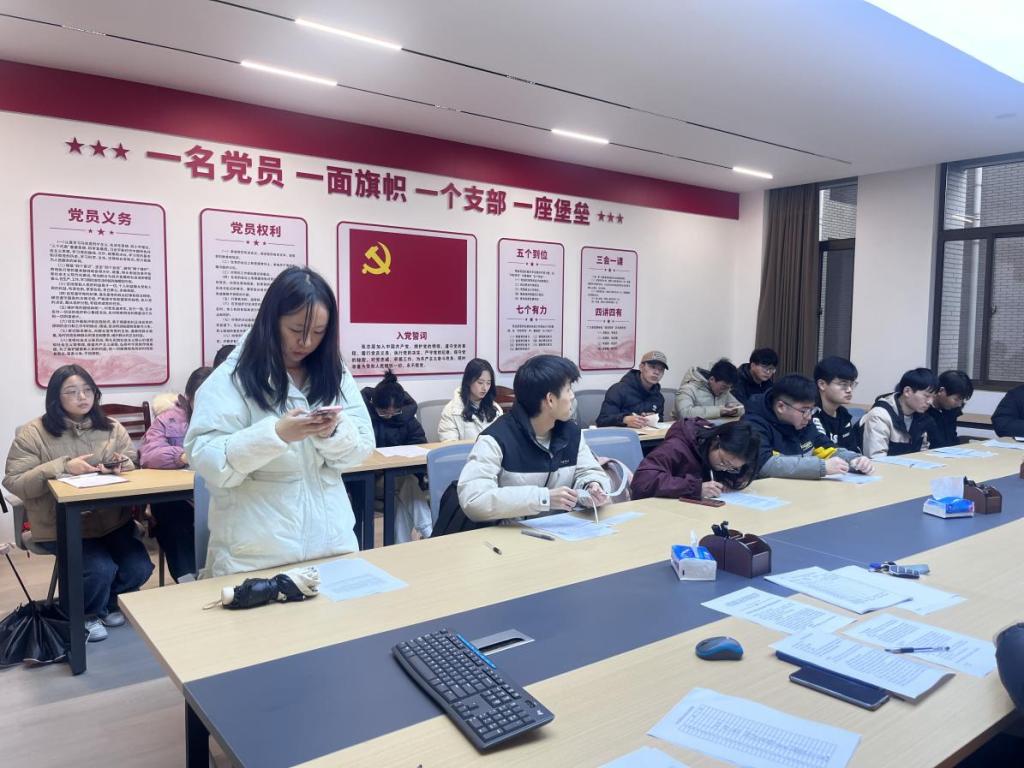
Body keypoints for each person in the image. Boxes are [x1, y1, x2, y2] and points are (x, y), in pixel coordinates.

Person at [184, 266, 375, 577]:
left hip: (333, 546)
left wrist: (333, 432)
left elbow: (363, 446)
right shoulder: (232, 378)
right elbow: (206, 457)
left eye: (318, 332)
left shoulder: (333, 372)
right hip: (255, 558)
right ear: (271, 321)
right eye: (296, 329)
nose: (306, 342)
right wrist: (275, 435)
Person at [3, 365, 152, 642]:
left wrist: (121, 464)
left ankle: (109, 603)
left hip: (111, 521)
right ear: (55, 398)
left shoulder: (111, 427)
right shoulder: (33, 433)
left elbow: (132, 460)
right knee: (99, 569)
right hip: (60, 525)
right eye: (71, 392)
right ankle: (85, 614)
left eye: (87, 390)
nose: (82, 397)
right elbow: (14, 481)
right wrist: (61, 466)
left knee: (139, 567)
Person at [458, 355, 611, 522]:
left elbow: (589, 471)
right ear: (550, 400)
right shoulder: (496, 439)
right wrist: (543, 498)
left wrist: (592, 486)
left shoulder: (571, 433)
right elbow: (474, 499)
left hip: (562, 529)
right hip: (511, 533)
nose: (572, 396)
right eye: (568, 390)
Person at [139, 365, 213, 582]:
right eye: (201, 398)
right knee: (171, 515)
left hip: (217, 494)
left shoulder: (231, 416)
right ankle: (188, 581)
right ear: (187, 398)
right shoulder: (169, 419)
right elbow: (148, 454)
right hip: (179, 498)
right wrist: (182, 456)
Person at [743, 373, 873, 479]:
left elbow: (827, 448)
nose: (809, 416)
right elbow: (765, 465)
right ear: (781, 407)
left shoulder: (804, 422)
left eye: (812, 410)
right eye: (804, 410)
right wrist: (821, 467)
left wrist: (854, 460)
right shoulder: (753, 425)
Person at [362, 370, 432, 542]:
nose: (389, 416)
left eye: (394, 413)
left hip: (400, 478)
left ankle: (400, 546)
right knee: (407, 483)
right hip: (373, 479)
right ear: (373, 404)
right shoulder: (363, 417)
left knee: (401, 498)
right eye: (383, 412)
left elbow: (420, 444)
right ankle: (430, 530)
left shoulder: (407, 419)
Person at [631, 420, 760, 500]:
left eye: (732, 468)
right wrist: (695, 488)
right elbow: (642, 482)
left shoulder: (726, 455)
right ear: (715, 441)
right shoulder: (677, 446)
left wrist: (728, 481)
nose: (724, 468)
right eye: (724, 462)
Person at [860, 368, 938, 458]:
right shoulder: (879, 415)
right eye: (927, 396)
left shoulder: (921, 417)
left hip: (907, 465)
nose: (930, 402)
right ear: (907, 391)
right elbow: (876, 459)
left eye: (933, 397)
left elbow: (922, 453)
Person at [595, 350, 668, 428]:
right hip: (623, 434)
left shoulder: (658, 397)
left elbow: (660, 421)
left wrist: (654, 418)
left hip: (647, 434)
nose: (656, 372)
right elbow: (602, 420)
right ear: (641, 367)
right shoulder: (618, 390)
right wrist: (624, 419)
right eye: (652, 367)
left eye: (661, 369)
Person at [437, 358, 503, 441]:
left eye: (488, 383)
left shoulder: (495, 409)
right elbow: (450, 445)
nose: (485, 388)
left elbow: (503, 439)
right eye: (480, 382)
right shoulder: (451, 411)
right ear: (468, 381)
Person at [811, 356, 861, 451]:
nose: (849, 390)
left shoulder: (843, 414)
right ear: (822, 384)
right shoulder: (810, 413)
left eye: (851, 384)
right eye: (843, 384)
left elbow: (853, 449)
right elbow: (823, 447)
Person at [674, 358, 744, 420]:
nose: (726, 391)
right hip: (688, 429)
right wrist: (719, 411)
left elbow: (741, 409)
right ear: (712, 379)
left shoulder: (724, 391)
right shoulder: (688, 389)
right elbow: (684, 414)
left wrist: (734, 410)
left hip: (714, 429)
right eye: (724, 387)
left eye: (729, 388)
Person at [927, 370, 974, 448]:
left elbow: (952, 438)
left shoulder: (952, 410)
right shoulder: (924, 410)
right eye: (956, 399)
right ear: (941, 391)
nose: (959, 404)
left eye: (962, 400)